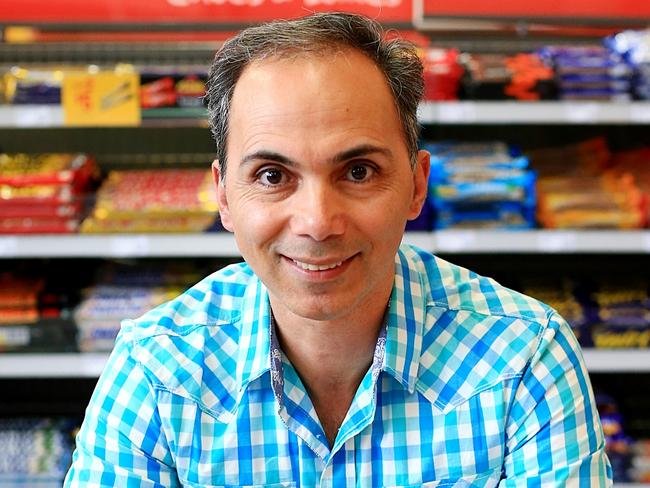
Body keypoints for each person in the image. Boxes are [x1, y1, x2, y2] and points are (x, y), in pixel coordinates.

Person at [64, 12, 612, 487]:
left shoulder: (522, 358)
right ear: (224, 196)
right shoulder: (157, 369)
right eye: (273, 174)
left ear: (417, 186)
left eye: (357, 171)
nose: (318, 223)